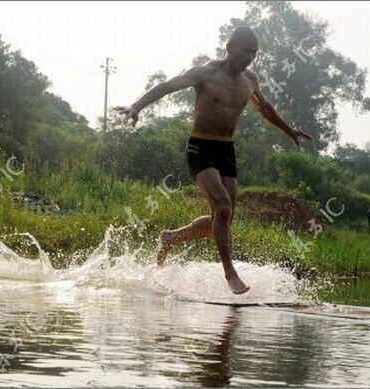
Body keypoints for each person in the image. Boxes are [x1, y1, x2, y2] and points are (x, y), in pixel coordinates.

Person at [115, 26, 312, 294]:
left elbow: (265, 108)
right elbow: (166, 86)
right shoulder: (205, 73)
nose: (249, 58)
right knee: (222, 206)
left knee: (223, 218)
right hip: (201, 147)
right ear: (229, 48)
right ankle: (230, 273)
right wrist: (136, 106)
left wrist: (289, 131)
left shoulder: (250, 80)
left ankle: (171, 238)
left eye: (254, 53)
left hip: (226, 151)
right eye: (245, 51)